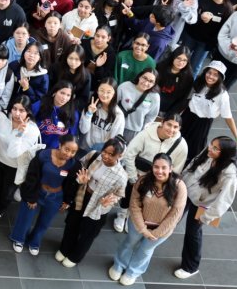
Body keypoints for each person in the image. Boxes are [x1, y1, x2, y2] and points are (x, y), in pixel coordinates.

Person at [110, 153, 187, 286]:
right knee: (129, 243)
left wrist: (156, 233)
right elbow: (135, 205)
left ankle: (133, 271)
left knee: (146, 250)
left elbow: (175, 214)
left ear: (171, 168)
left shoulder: (179, 187)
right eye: (156, 167)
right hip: (138, 224)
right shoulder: (143, 181)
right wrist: (143, 229)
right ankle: (119, 264)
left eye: (164, 167)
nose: (160, 171)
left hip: (161, 229)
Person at [56, 139, 128, 267]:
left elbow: (119, 194)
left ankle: (75, 256)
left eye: (111, 154)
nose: (105, 156)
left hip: (98, 205)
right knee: (71, 224)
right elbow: (80, 166)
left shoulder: (121, 175)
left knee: (87, 234)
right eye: (105, 151)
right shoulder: (94, 155)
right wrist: (80, 178)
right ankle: (64, 249)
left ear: (120, 156)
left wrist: (110, 201)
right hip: (82, 196)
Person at [0, 95, 43, 223]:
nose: (17, 114)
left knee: (6, 193)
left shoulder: (32, 131)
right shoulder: (2, 117)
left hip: (14, 166)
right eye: (14, 108)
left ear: (28, 112)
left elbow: (13, 153)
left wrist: (19, 134)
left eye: (22, 110)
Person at [10, 134, 78, 255]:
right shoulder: (43, 155)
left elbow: (70, 184)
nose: (69, 154)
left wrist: (67, 201)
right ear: (60, 145)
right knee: (26, 217)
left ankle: (34, 242)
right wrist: (31, 197)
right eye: (67, 149)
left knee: (44, 222)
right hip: (38, 191)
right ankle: (19, 239)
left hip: (55, 197)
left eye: (73, 152)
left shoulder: (73, 164)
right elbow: (31, 177)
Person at [117, 68, 161, 143]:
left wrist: (143, 132)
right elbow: (114, 104)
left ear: (154, 84)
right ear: (139, 76)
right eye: (145, 78)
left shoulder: (155, 97)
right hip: (117, 124)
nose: (146, 83)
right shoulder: (125, 86)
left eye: (151, 81)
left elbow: (151, 116)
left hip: (134, 131)